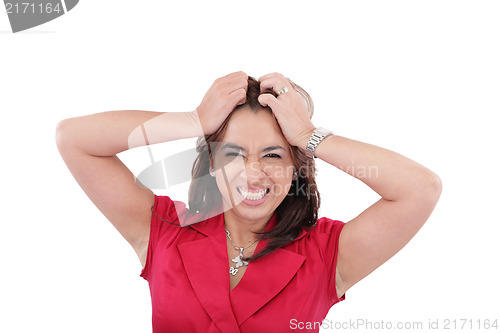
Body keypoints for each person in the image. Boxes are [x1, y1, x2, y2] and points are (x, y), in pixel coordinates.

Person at [55, 71, 442, 332]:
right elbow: (73, 138)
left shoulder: (326, 254)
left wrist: (309, 133)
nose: (253, 173)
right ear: (211, 163)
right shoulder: (164, 230)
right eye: (233, 154)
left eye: (273, 155)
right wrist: (195, 120)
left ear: (296, 166)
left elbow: (420, 188)